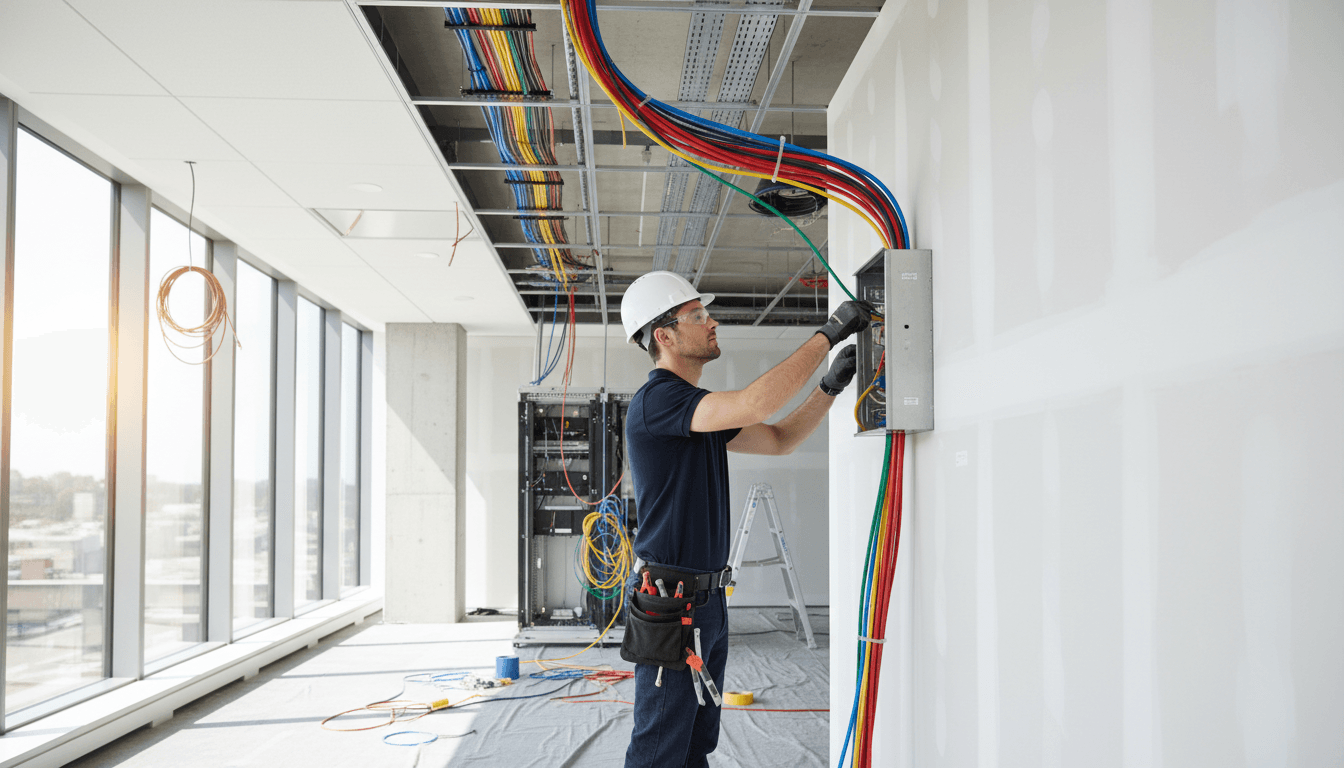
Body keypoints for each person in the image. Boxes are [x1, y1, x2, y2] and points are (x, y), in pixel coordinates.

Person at [618, 270, 871, 768]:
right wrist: (828, 333)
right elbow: (758, 402)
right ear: (663, 336)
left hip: (706, 603)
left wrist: (829, 386)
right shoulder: (659, 401)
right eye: (697, 315)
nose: (711, 322)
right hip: (673, 607)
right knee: (658, 751)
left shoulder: (697, 413)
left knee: (695, 744)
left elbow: (778, 439)